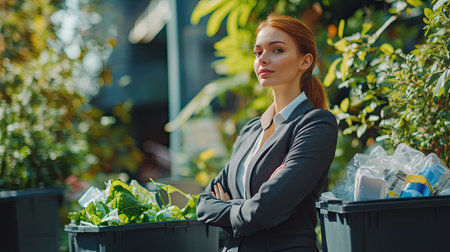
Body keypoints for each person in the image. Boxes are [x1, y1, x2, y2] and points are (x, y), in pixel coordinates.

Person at [196, 13, 338, 252]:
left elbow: (265, 210)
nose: (263, 59)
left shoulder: (315, 124)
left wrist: (232, 208)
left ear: (305, 61)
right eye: (258, 52)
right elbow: (203, 204)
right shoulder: (251, 130)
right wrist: (246, 208)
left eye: (277, 50)